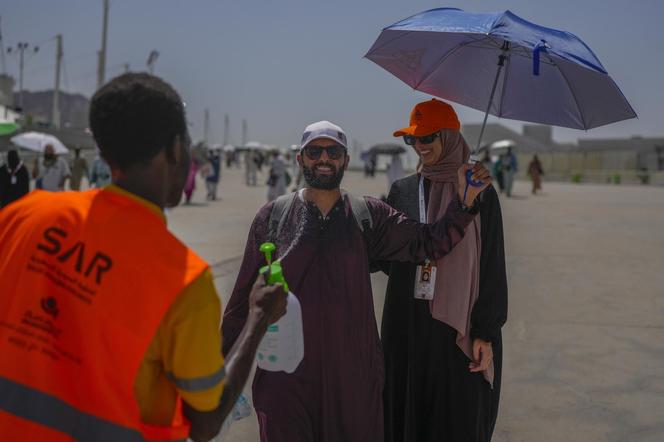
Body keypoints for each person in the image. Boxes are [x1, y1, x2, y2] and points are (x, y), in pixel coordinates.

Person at [0, 73, 287, 442]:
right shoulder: (181, 279)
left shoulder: (23, 216)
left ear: (104, 152)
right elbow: (206, 420)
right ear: (174, 149)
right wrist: (258, 319)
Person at [222, 120, 491, 442]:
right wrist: (220, 369)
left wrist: (464, 203)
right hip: (286, 376)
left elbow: (427, 242)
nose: (324, 159)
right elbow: (241, 303)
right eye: (314, 151)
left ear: (346, 160)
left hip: (353, 376)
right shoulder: (273, 217)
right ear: (300, 159)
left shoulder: (369, 215)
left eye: (333, 151)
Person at [377, 98, 507, 442]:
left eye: (428, 137)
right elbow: (389, 256)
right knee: (408, 413)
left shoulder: (480, 191)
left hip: (457, 329)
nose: (420, 147)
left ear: (449, 137)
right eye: (412, 139)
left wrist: (486, 332)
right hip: (407, 323)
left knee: (456, 417)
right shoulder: (402, 190)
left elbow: (492, 264)